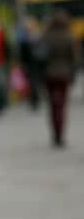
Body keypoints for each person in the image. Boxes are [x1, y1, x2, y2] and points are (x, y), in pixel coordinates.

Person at [40, 10, 79, 147]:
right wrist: (73, 74)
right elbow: (73, 59)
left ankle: (55, 133)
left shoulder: (46, 36)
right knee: (61, 105)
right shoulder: (68, 37)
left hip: (49, 75)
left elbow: (40, 57)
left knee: (52, 105)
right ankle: (60, 134)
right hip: (64, 75)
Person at [17, 16, 44, 111]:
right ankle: (33, 100)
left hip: (37, 63)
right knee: (30, 82)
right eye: (27, 25)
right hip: (28, 63)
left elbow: (43, 50)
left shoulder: (38, 35)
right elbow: (22, 52)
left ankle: (35, 99)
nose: (28, 26)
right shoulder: (23, 37)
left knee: (35, 82)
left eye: (29, 25)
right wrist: (22, 63)